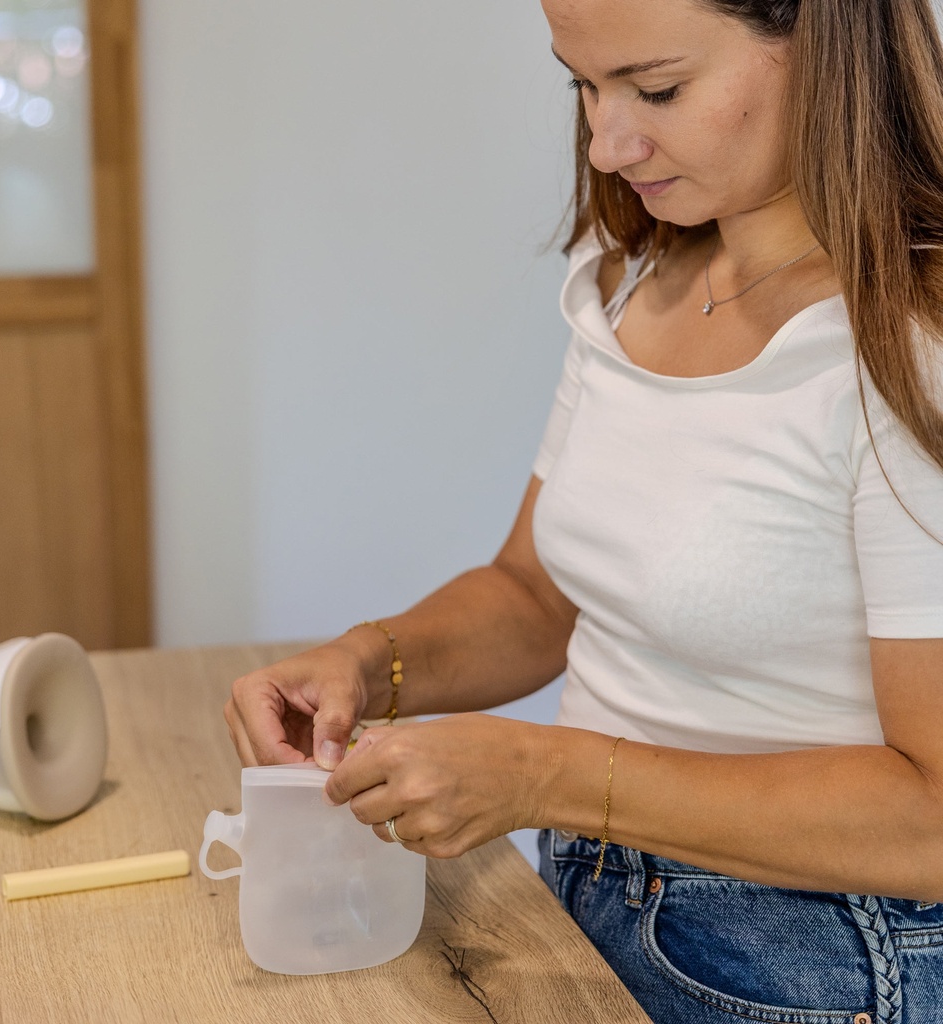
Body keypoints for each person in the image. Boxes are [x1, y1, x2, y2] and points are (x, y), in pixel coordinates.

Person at [225, 0, 943, 1019]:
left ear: (829, 46)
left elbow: (931, 822)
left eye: (656, 89)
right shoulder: (639, 278)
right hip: (582, 892)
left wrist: (540, 773)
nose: (608, 144)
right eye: (583, 84)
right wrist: (369, 664)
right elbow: (534, 596)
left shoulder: (909, 345)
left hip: (808, 956)